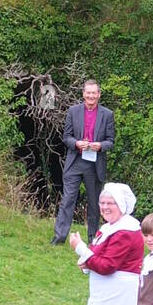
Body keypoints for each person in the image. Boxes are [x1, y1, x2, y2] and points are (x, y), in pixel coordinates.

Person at [52, 81, 115, 244]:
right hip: (75, 161)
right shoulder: (73, 111)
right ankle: (59, 238)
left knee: (94, 204)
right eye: (88, 93)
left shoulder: (107, 114)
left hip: (94, 165)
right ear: (83, 94)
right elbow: (66, 137)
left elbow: (111, 141)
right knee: (68, 200)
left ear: (99, 94)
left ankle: (93, 240)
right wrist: (76, 143)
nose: (91, 96)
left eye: (94, 93)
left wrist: (100, 146)